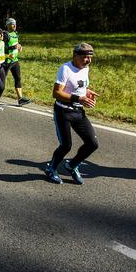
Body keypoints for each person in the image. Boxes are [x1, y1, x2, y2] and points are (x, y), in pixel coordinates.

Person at [44, 43, 100, 185]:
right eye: (85, 57)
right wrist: (78, 98)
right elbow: (56, 93)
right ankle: (51, 169)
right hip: (63, 111)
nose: (89, 61)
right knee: (66, 146)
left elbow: (80, 86)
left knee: (92, 144)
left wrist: (87, 92)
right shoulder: (65, 69)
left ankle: (72, 165)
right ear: (75, 56)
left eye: (90, 57)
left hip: (78, 112)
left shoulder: (85, 68)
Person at [3, 18, 31, 106]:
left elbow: (16, 44)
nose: (14, 25)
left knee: (18, 79)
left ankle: (20, 99)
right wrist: (14, 47)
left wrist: (20, 46)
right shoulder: (5, 35)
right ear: (8, 25)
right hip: (7, 61)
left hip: (15, 60)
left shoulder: (15, 33)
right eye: (12, 24)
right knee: (1, 81)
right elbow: (2, 47)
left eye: (15, 24)